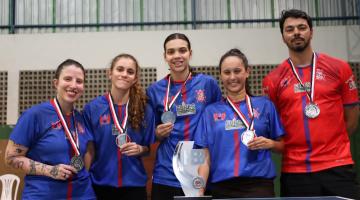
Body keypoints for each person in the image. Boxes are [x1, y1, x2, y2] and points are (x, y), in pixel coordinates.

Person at [262, 9, 359, 199]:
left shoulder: (339, 68)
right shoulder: (272, 80)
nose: (296, 32)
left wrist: (332, 146)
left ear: (311, 32)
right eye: (289, 29)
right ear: (283, 37)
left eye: (302, 27)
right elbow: (274, 126)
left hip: (337, 166)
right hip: (295, 170)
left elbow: (353, 117)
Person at [194, 48, 285, 198]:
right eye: (227, 72)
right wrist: (199, 190)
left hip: (258, 186)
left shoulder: (265, 106)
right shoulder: (210, 112)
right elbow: (204, 158)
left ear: (247, 72)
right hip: (221, 188)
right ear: (221, 76)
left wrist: (270, 144)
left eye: (237, 71)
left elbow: (282, 146)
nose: (232, 77)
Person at [4, 59, 95, 199]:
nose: (73, 85)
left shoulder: (81, 118)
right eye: (68, 79)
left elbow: (87, 153)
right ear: (56, 83)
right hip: (43, 194)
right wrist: (50, 170)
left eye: (79, 81)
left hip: (82, 193)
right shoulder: (34, 115)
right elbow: (11, 158)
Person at [146, 33, 222, 200]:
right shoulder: (154, 91)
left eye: (182, 50)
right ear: (165, 56)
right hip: (165, 172)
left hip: (200, 171)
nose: (177, 56)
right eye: (171, 52)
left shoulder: (207, 84)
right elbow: (149, 134)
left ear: (190, 53)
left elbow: (217, 123)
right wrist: (157, 133)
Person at [83, 53, 155, 200]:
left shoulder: (144, 109)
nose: (124, 74)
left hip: (134, 186)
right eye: (120, 69)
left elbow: (149, 147)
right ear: (110, 73)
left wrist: (140, 149)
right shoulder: (93, 108)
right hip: (101, 185)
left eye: (130, 72)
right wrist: (83, 181)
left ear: (135, 78)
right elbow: (89, 150)